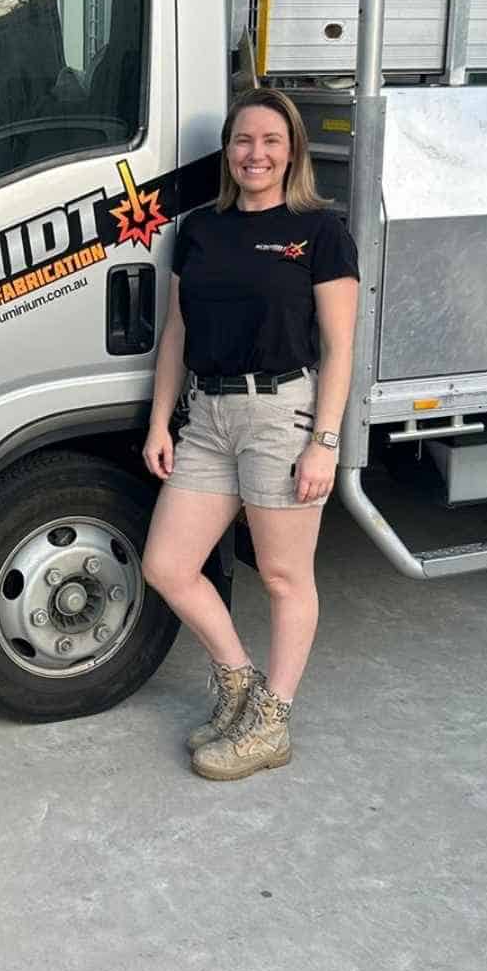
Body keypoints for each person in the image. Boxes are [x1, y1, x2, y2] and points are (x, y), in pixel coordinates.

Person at [141, 87, 359, 780]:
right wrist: (161, 421)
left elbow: (339, 347)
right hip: (206, 417)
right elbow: (175, 331)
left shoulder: (321, 231)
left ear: (291, 150)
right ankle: (239, 681)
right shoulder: (201, 228)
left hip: (281, 417)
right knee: (168, 567)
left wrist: (324, 443)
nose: (254, 153)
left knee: (282, 575)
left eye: (269, 141)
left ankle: (273, 721)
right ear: (228, 150)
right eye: (242, 140)